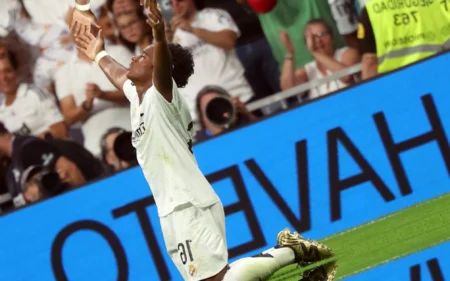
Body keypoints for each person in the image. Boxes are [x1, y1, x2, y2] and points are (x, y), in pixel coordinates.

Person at [71, 0, 337, 280]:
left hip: (186, 203)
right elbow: (119, 76)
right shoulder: (139, 96)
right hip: (173, 206)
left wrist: (160, 36)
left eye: (145, 57)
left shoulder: (162, 96)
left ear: (158, 69)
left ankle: (290, 252)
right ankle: (291, 250)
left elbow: (161, 66)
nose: (135, 58)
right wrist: (99, 54)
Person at [357, 0, 450, 80]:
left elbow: (369, 62)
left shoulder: (372, 12)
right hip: (441, 74)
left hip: (398, 87)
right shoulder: (434, 3)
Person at [280, 19, 360, 99]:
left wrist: (314, 52)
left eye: (322, 34)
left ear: (331, 37)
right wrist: (289, 53)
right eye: (312, 38)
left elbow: (347, 77)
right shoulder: (309, 69)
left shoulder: (348, 53)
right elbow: (288, 90)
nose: (318, 40)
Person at [0, 50, 68, 139]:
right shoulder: (1, 112)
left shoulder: (35, 94)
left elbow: (61, 131)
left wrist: (30, 144)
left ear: (16, 72)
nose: (3, 77)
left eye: (8, 71)